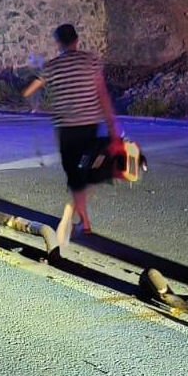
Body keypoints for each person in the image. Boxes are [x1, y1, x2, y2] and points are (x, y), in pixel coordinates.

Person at [23, 24, 120, 244]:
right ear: (76, 40)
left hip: (66, 128)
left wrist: (34, 99)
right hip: (89, 125)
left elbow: (29, 90)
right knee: (89, 170)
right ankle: (80, 218)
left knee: (74, 175)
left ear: (58, 43)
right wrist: (113, 127)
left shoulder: (52, 66)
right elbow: (102, 95)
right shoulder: (91, 61)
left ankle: (83, 220)